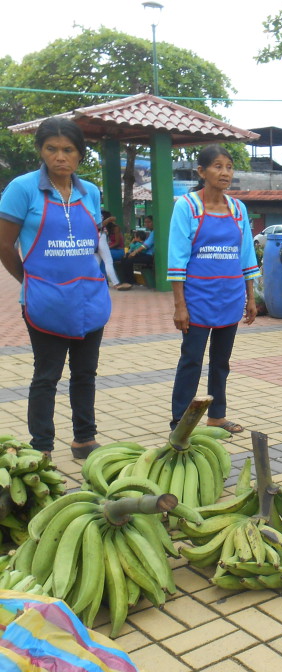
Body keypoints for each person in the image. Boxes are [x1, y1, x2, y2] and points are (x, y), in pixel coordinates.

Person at [0, 117, 110, 460]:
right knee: (46, 376)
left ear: (80, 155)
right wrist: (30, 282)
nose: (60, 157)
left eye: (68, 150)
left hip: (90, 297)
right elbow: (4, 245)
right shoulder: (22, 188)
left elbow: (93, 245)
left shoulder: (89, 191)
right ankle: (41, 447)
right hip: (44, 301)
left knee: (85, 373)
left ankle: (84, 439)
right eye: (52, 149)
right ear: (41, 151)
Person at [167, 145, 259, 434]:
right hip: (196, 299)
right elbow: (177, 257)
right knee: (191, 360)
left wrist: (251, 297)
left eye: (229, 167)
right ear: (201, 172)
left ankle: (217, 416)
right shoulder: (187, 206)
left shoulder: (238, 209)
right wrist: (179, 305)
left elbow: (246, 256)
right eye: (217, 166)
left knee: (221, 362)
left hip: (230, 296)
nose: (225, 172)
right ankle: (180, 422)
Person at [100, 209, 132, 290]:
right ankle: (107, 282)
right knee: (103, 261)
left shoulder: (115, 228)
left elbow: (117, 243)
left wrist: (107, 248)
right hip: (108, 249)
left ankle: (106, 282)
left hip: (118, 250)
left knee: (105, 260)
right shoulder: (104, 228)